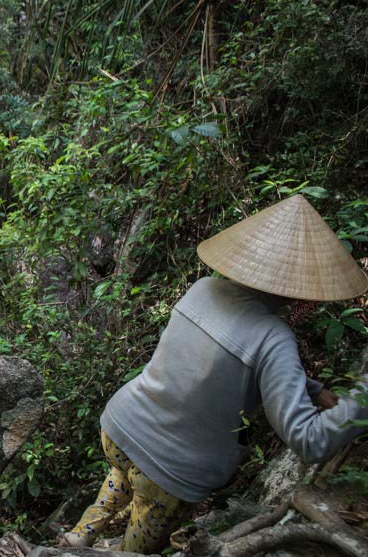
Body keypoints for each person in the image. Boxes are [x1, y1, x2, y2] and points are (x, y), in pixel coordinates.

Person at [58, 194, 368, 553]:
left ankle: (78, 535)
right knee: (134, 548)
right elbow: (309, 440)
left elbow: (230, 356)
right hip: (170, 469)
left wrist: (310, 388)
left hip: (120, 427)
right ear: (303, 295)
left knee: (127, 471)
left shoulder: (201, 289)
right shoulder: (274, 337)